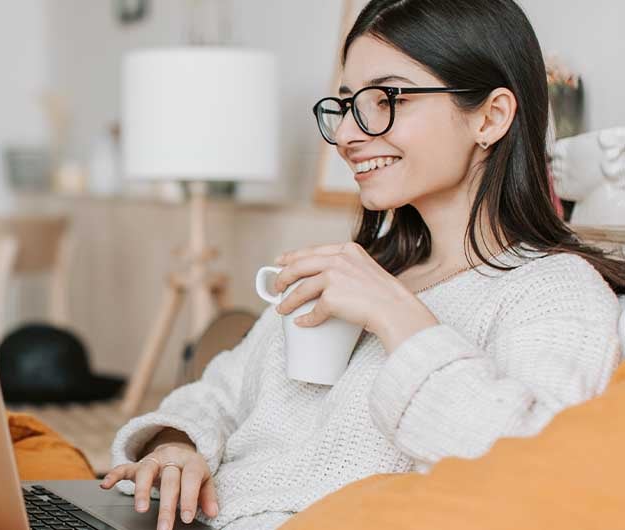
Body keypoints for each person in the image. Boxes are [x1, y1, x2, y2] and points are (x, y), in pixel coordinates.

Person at [99, 1, 625, 529]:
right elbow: (218, 393)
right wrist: (177, 446)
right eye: (348, 104)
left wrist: (398, 318)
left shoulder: (553, 292)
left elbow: (531, 474)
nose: (349, 135)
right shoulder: (363, 268)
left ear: (490, 117)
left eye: (387, 98)